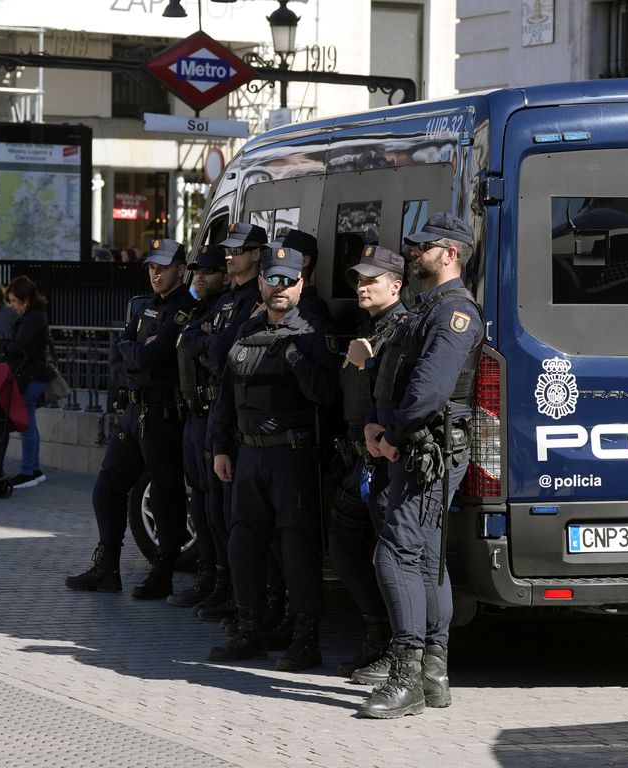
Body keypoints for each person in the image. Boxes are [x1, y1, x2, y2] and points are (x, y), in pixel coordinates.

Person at [358, 212, 483, 719]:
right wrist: (375, 423)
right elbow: (393, 374)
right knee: (427, 559)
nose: (414, 253)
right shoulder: (426, 308)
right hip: (411, 445)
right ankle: (433, 675)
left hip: (425, 452)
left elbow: (430, 390)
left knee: (395, 554)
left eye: (424, 247)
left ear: (450, 253)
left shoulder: (454, 313)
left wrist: (392, 435)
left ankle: (406, 675)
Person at [207, 243, 340, 670]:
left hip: (292, 457)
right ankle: (250, 631)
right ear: (261, 282)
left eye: (290, 279)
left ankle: (306, 640)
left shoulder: (313, 333)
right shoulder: (245, 331)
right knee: (243, 543)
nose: (281, 287)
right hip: (248, 457)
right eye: (274, 279)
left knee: (296, 547)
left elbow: (328, 395)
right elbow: (225, 396)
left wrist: (298, 358)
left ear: (301, 284)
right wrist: (220, 448)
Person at [65, 239, 197, 597]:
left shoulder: (185, 310)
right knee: (107, 487)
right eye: (152, 267)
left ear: (181, 270)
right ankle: (107, 567)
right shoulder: (146, 307)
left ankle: (163, 571)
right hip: (135, 410)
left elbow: (147, 358)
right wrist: (136, 351)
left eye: (163, 267)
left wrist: (135, 352)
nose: (155, 273)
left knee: (166, 495)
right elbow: (124, 352)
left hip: (162, 413)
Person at [179, 222, 265, 622]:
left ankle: (236, 590)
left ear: (257, 254)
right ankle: (216, 580)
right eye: (227, 251)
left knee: (231, 511)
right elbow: (193, 338)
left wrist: (209, 341)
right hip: (211, 411)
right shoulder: (227, 299)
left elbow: (225, 352)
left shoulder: (253, 299)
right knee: (209, 505)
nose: (228, 256)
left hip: (231, 416)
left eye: (237, 250)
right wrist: (209, 339)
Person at [328, 244, 406, 677]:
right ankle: (376, 636)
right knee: (342, 546)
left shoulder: (401, 329)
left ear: (395, 285)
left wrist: (368, 363)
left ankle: (399, 650)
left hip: (385, 463)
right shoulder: (371, 325)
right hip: (358, 461)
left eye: (371, 279)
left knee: (392, 558)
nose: (361, 286)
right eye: (359, 279)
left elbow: (403, 392)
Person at [169, 243, 229, 608]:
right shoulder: (198, 310)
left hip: (213, 414)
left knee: (216, 505)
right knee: (201, 503)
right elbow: (187, 344)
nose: (199, 278)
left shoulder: (227, 307)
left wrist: (200, 341)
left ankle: (224, 580)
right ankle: (208, 574)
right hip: (194, 414)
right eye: (197, 271)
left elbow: (217, 352)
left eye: (207, 271)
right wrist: (199, 338)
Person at [2, 276, 52, 489]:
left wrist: (4, 345)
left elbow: (21, 347)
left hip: (30, 377)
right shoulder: (34, 316)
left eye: (14, 301)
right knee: (29, 424)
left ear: (25, 300)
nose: (12, 306)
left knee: (27, 425)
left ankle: (28, 471)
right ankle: (34, 469)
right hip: (33, 376)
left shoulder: (32, 319)